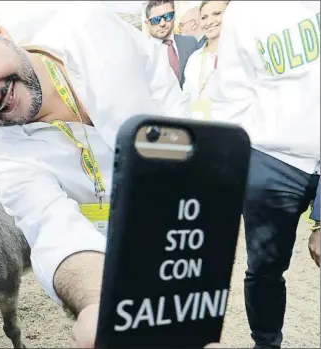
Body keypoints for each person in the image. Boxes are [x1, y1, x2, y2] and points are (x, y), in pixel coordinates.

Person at [0, 3, 187, 346]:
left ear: (0, 32)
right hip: (123, 257)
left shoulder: (88, 28)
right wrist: (100, 303)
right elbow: (54, 234)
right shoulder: (4, 164)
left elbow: (170, 117)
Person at [208, 1, 320, 348]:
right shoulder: (245, 12)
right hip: (272, 159)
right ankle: (266, 343)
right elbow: (231, 99)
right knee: (265, 269)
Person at [182, 0, 229, 120]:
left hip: (230, 131)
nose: (209, 22)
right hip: (197, 130)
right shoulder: (194, 58)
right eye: (204, 17)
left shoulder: (240, 54)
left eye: (217, 14)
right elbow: (186, 100)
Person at [144, 0, 202, 87]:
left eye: (167, 16)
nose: (162, 23)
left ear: (174, 16)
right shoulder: (142, 52)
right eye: (156, 20)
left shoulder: (190, 43)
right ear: (147, 23)